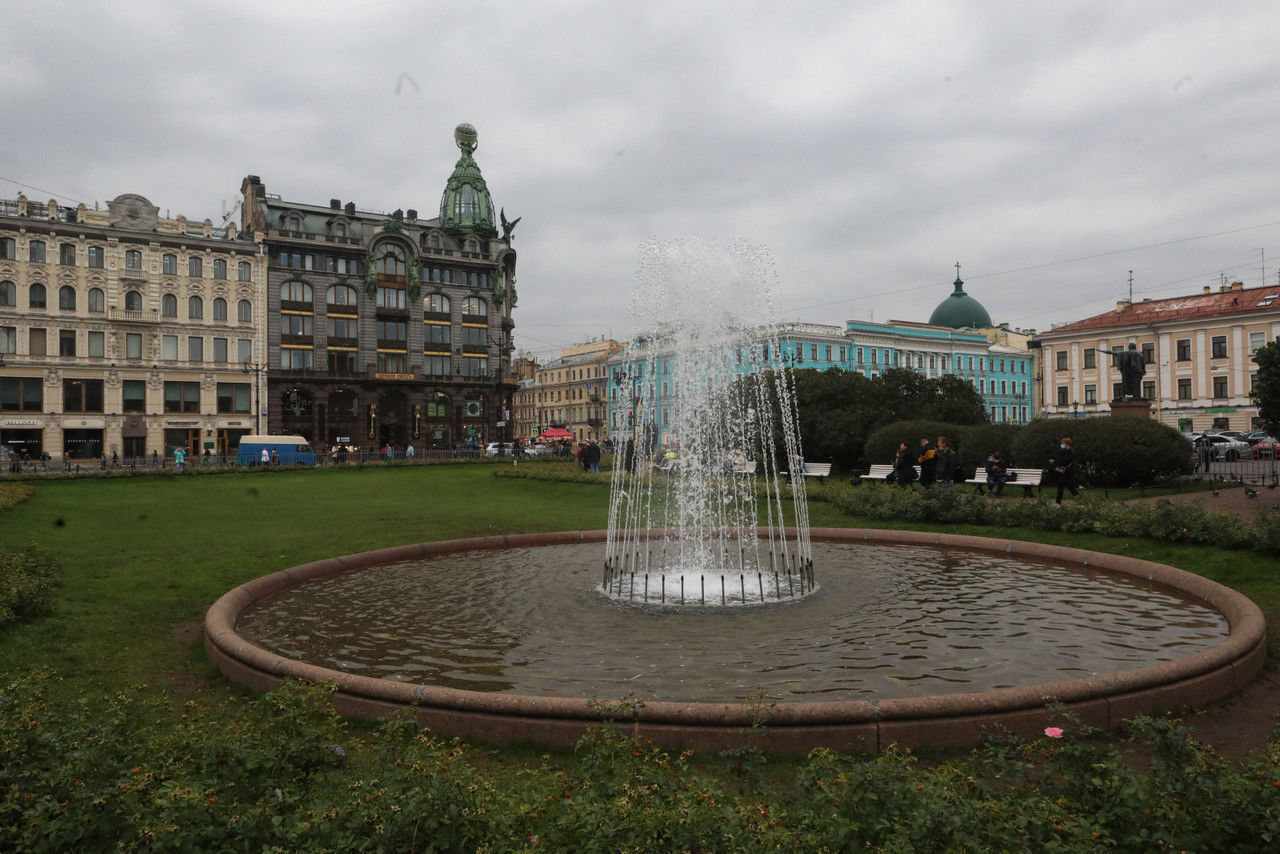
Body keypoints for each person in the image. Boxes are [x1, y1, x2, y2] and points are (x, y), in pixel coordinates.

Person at [1048, 437, 1079, 504]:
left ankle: (1079, 499)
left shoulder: (1071, 451)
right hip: (1062, 471)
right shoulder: (1062, 450)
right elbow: (1058, 457)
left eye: (1062, 443)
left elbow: (1065, 461)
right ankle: (1058, 501)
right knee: (1060, 486)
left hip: (1068, 471)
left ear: (1066, 443)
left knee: (1070, 486)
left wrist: (1054, 461)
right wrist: (1052, 458)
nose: (1061, 444)